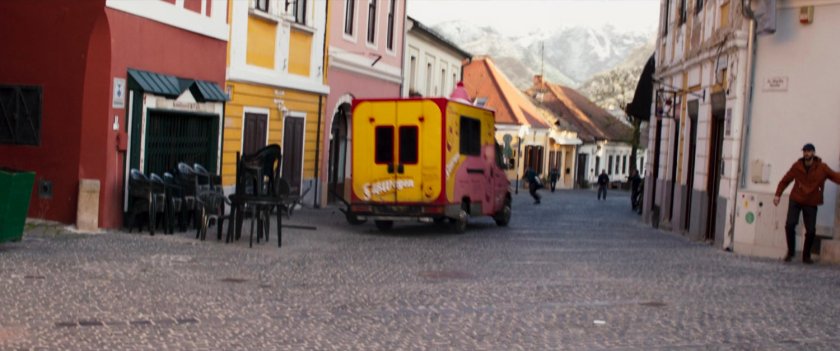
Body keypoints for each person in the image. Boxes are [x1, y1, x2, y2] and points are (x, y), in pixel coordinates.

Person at [773, 143, 840, 264]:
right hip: (796, 199)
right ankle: (791, 252)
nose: (806, 153)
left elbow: (835, 176)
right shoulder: (797, 166)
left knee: (810, 231)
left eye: (809, 151)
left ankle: (806, 256)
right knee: (790, 225)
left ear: (813, 153)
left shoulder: (822, 168)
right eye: (804, 151)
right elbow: (785, 180)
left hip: (811, 201)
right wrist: (778, 195)